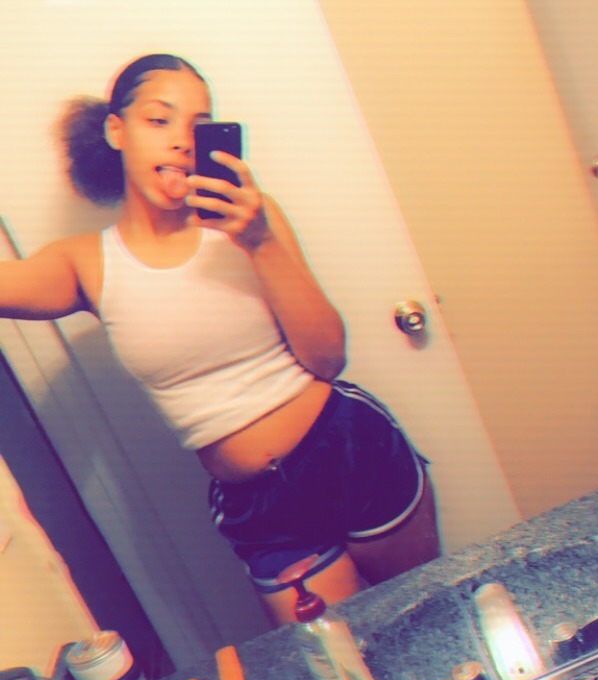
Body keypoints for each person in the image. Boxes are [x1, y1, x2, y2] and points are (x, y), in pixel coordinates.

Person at [0, 53, 440, 625]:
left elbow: (328, 357)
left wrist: (260, 241)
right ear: (116, 130)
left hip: (351, 449)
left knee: (427, 617)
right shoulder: (86, 262)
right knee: (338, 660)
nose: (181, 141)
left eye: (198, 125)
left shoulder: (249, 220)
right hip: (260, 507)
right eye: (159, 120)